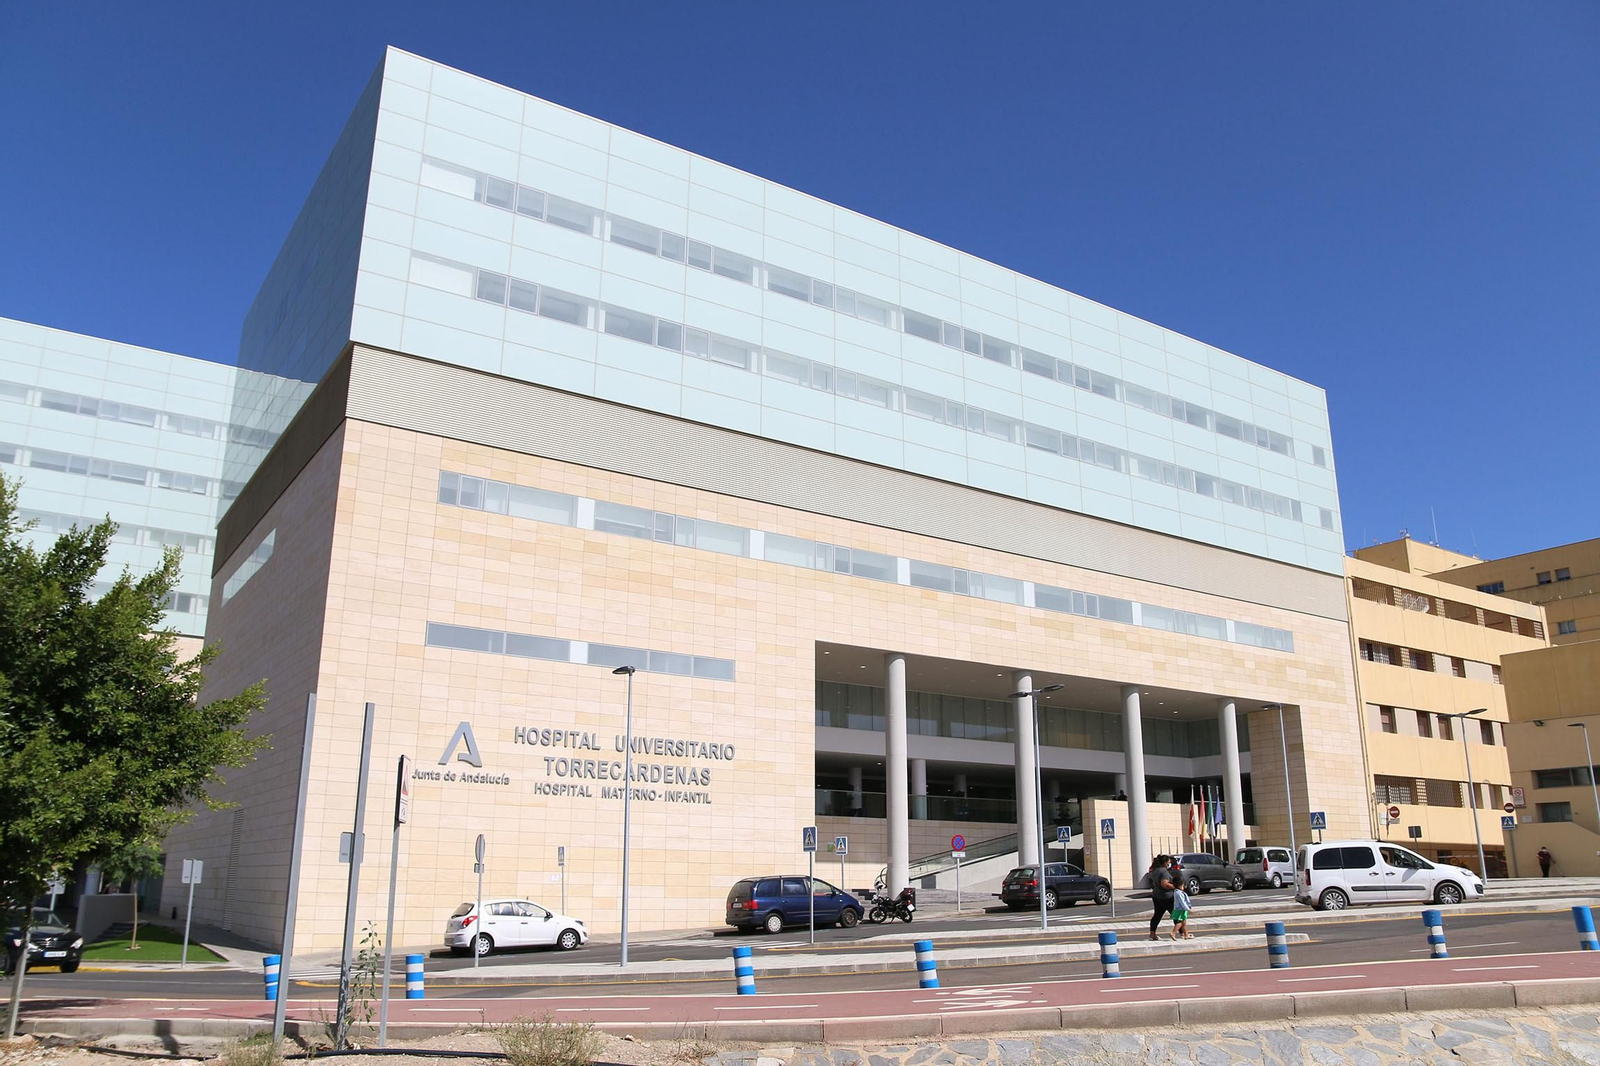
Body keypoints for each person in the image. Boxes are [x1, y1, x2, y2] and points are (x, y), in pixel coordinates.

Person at [1148, 854, 1175, 940]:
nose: (1169, 863)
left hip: (1156, 895)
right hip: (1166, 896)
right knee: (1176, 914)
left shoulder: (1155, 870)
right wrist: (1176, 887)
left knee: (1157, 915)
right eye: (1168, 862)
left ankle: (1152, 934)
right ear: (1165, 863)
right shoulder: (1164, 872)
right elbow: (1165, 884)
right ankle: (1181, 933)